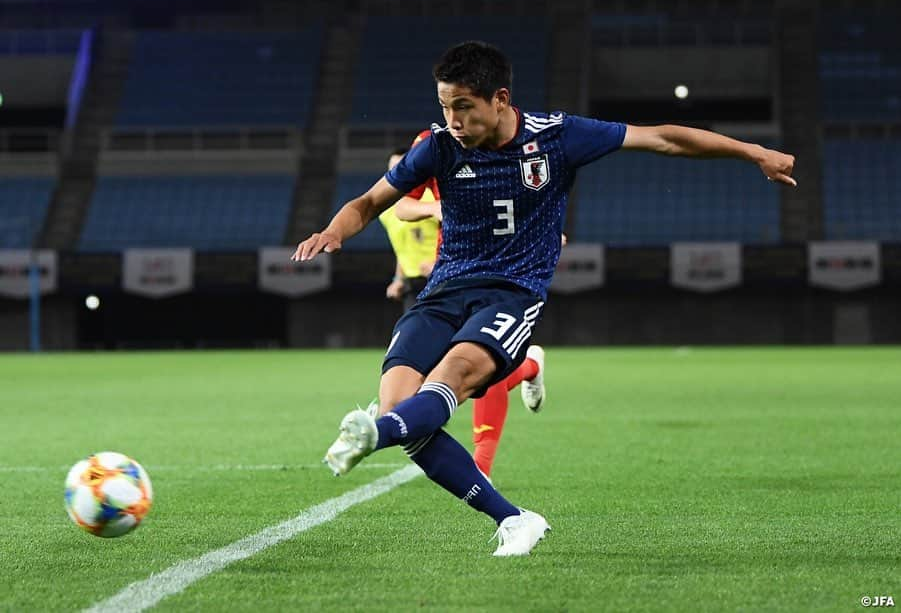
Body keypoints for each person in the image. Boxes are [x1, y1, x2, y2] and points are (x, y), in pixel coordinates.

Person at [293, 41, 795, 556]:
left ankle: (373, 435)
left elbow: (663, 138)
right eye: (445, 106)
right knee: (404, 411)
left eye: (463, 106)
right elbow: (371, 201)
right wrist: (334, 230)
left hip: (509, 296)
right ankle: (513, 519)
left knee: (448, 383)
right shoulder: (440, 147)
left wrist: (753, 151)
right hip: (442, 293)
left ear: (500, 99)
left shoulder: (557, 137)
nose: (453, 119)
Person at [385, 134, 547, 479]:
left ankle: (482, 464)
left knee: (470, 366)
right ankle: (530, 365)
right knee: (446, 376)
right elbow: (402, 213)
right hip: (447, 280)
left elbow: (533, 195)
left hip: (505, 277)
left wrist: (545, 233)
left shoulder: (518, 143)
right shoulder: (434, 152)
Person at [378, 147, 441, 310]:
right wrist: (398, 279)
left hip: (441, 278)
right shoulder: (385, 212)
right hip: (412, 285)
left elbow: (458, 234)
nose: (396, 175)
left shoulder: (431, 200)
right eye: (392, 170)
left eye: (401, 169)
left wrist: (440, 264)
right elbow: (403, 248)